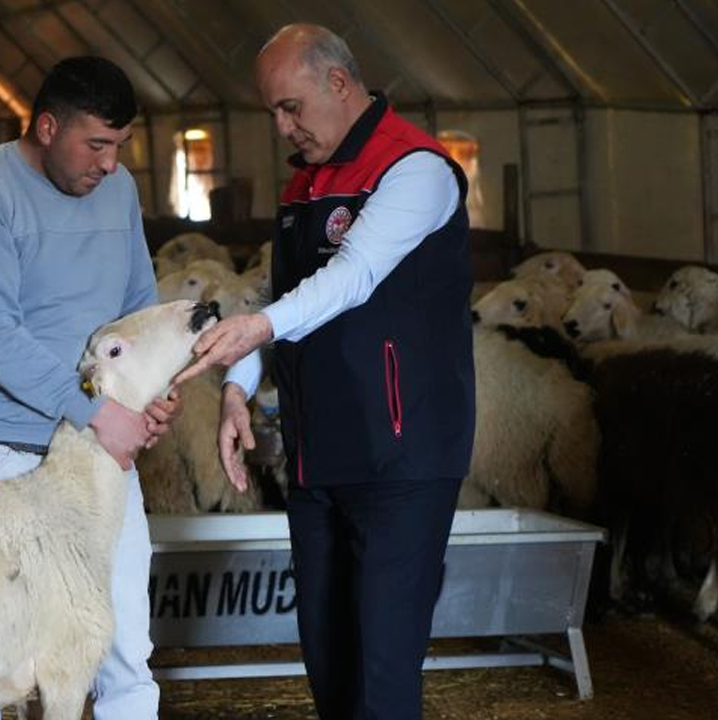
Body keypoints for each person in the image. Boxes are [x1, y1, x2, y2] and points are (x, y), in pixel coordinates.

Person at [175, 24, 475, 720]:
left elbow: (354, 276)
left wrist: (256, 327)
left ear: (339, 83)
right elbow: (281, 300)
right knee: (330, 661)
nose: (282, 127)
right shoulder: (305, 184)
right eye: (272, 112)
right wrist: (239, 390)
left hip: (399, 455)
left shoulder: (416, 169)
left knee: (382, 668)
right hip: (319, 455)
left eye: (290, 107)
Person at [0, 56, 174, 720]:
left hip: (101, 456)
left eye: (119, 146)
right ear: (46, 126)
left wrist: (151, 390)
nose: (108, 162)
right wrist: (96, 411)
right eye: (95, 143)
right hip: (2, 454)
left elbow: (137, 302)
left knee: (123, 645)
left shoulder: (119, 190)